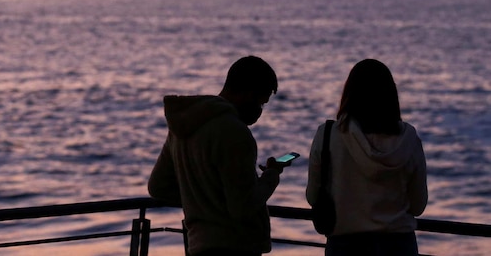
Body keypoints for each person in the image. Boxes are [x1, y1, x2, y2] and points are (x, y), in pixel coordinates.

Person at [148, 56, 290, 256]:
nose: (260, 110)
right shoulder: (235, 132)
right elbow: (243, 207)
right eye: (261, 102)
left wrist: (201, 201)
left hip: (197, 245)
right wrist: (271, 177)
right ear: (248, 92)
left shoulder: (183, 127)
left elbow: (158, 187)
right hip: (235, 247)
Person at [306, 59, 428, 256]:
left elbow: (313, 197)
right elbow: (418, 205)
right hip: (398, 245)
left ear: (349, 94)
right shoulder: (409, 139)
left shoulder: (327, 135)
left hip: (344, 245)